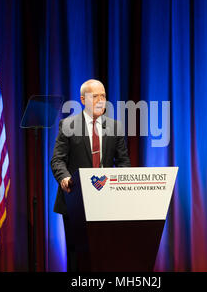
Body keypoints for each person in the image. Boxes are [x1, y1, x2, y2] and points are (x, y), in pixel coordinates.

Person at [50, 79, 131, 271]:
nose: (101, 100)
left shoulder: (115, 127)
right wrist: (64, 178)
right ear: (83, 99)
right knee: (77, 259)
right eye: (95, 96)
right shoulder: (68, 125)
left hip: (106, 203)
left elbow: (123, 162)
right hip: (75, 201)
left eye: (103, 96)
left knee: (105, 258)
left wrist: (122, 186)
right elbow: (57, 160)